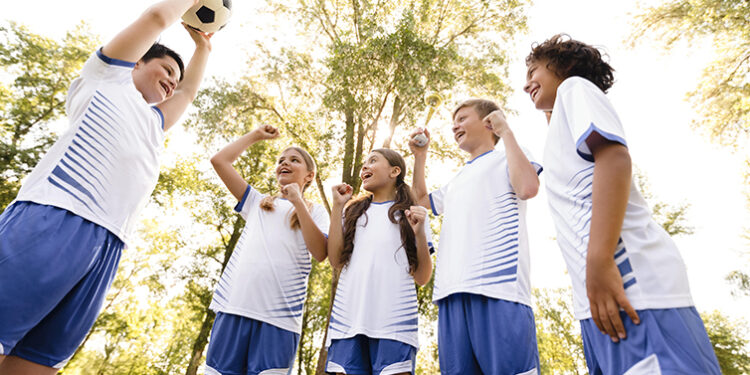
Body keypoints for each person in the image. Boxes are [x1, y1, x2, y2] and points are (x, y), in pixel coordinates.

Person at [0, 0, 213, 372]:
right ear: (137, 62)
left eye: (175, 79)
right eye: (165, 69)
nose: (171, 83)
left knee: (36, 364)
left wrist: (204, 48)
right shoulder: (104, 77)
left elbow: (189, 93)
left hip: (107, 249)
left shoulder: (154, 123)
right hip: (54, 217)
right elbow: (156, 18)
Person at [524, 33, 720, 374]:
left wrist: (599, 262)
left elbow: (614, 158)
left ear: (565, 67)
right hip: (596, 303)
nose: (526, 84)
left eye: (534, 71)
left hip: (634, 288)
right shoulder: (559, 130)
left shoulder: (575, 89)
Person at [410, 99, 542, 374]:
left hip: (498, 289)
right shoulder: (458, 179)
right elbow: (421, 201)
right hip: (450, 293)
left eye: (462, 118)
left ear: (488, 122)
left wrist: (506, 132)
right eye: (453, 121)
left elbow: (528, 187)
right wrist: (420, 157)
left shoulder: (508, 154)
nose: (454, 126)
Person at [206, 124, 329, 375]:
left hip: (280, 321)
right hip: (234, 309)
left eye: (294, 160)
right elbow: (220, 161)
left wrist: (298, 202)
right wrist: (255, 136)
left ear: (309, 176)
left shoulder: (315, 212)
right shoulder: (257, 203)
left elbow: (320, 252)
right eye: (281, 160)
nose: (285, 163)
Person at [325, 148, 433, 375]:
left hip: (395, 327)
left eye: (373, 161)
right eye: (364, 162)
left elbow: (422, 278)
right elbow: (335, 260)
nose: (365, 166)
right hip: (348, 324)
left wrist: (420, 234)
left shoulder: (412, 215)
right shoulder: (351, 212)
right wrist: (337, 207)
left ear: (395, 171)